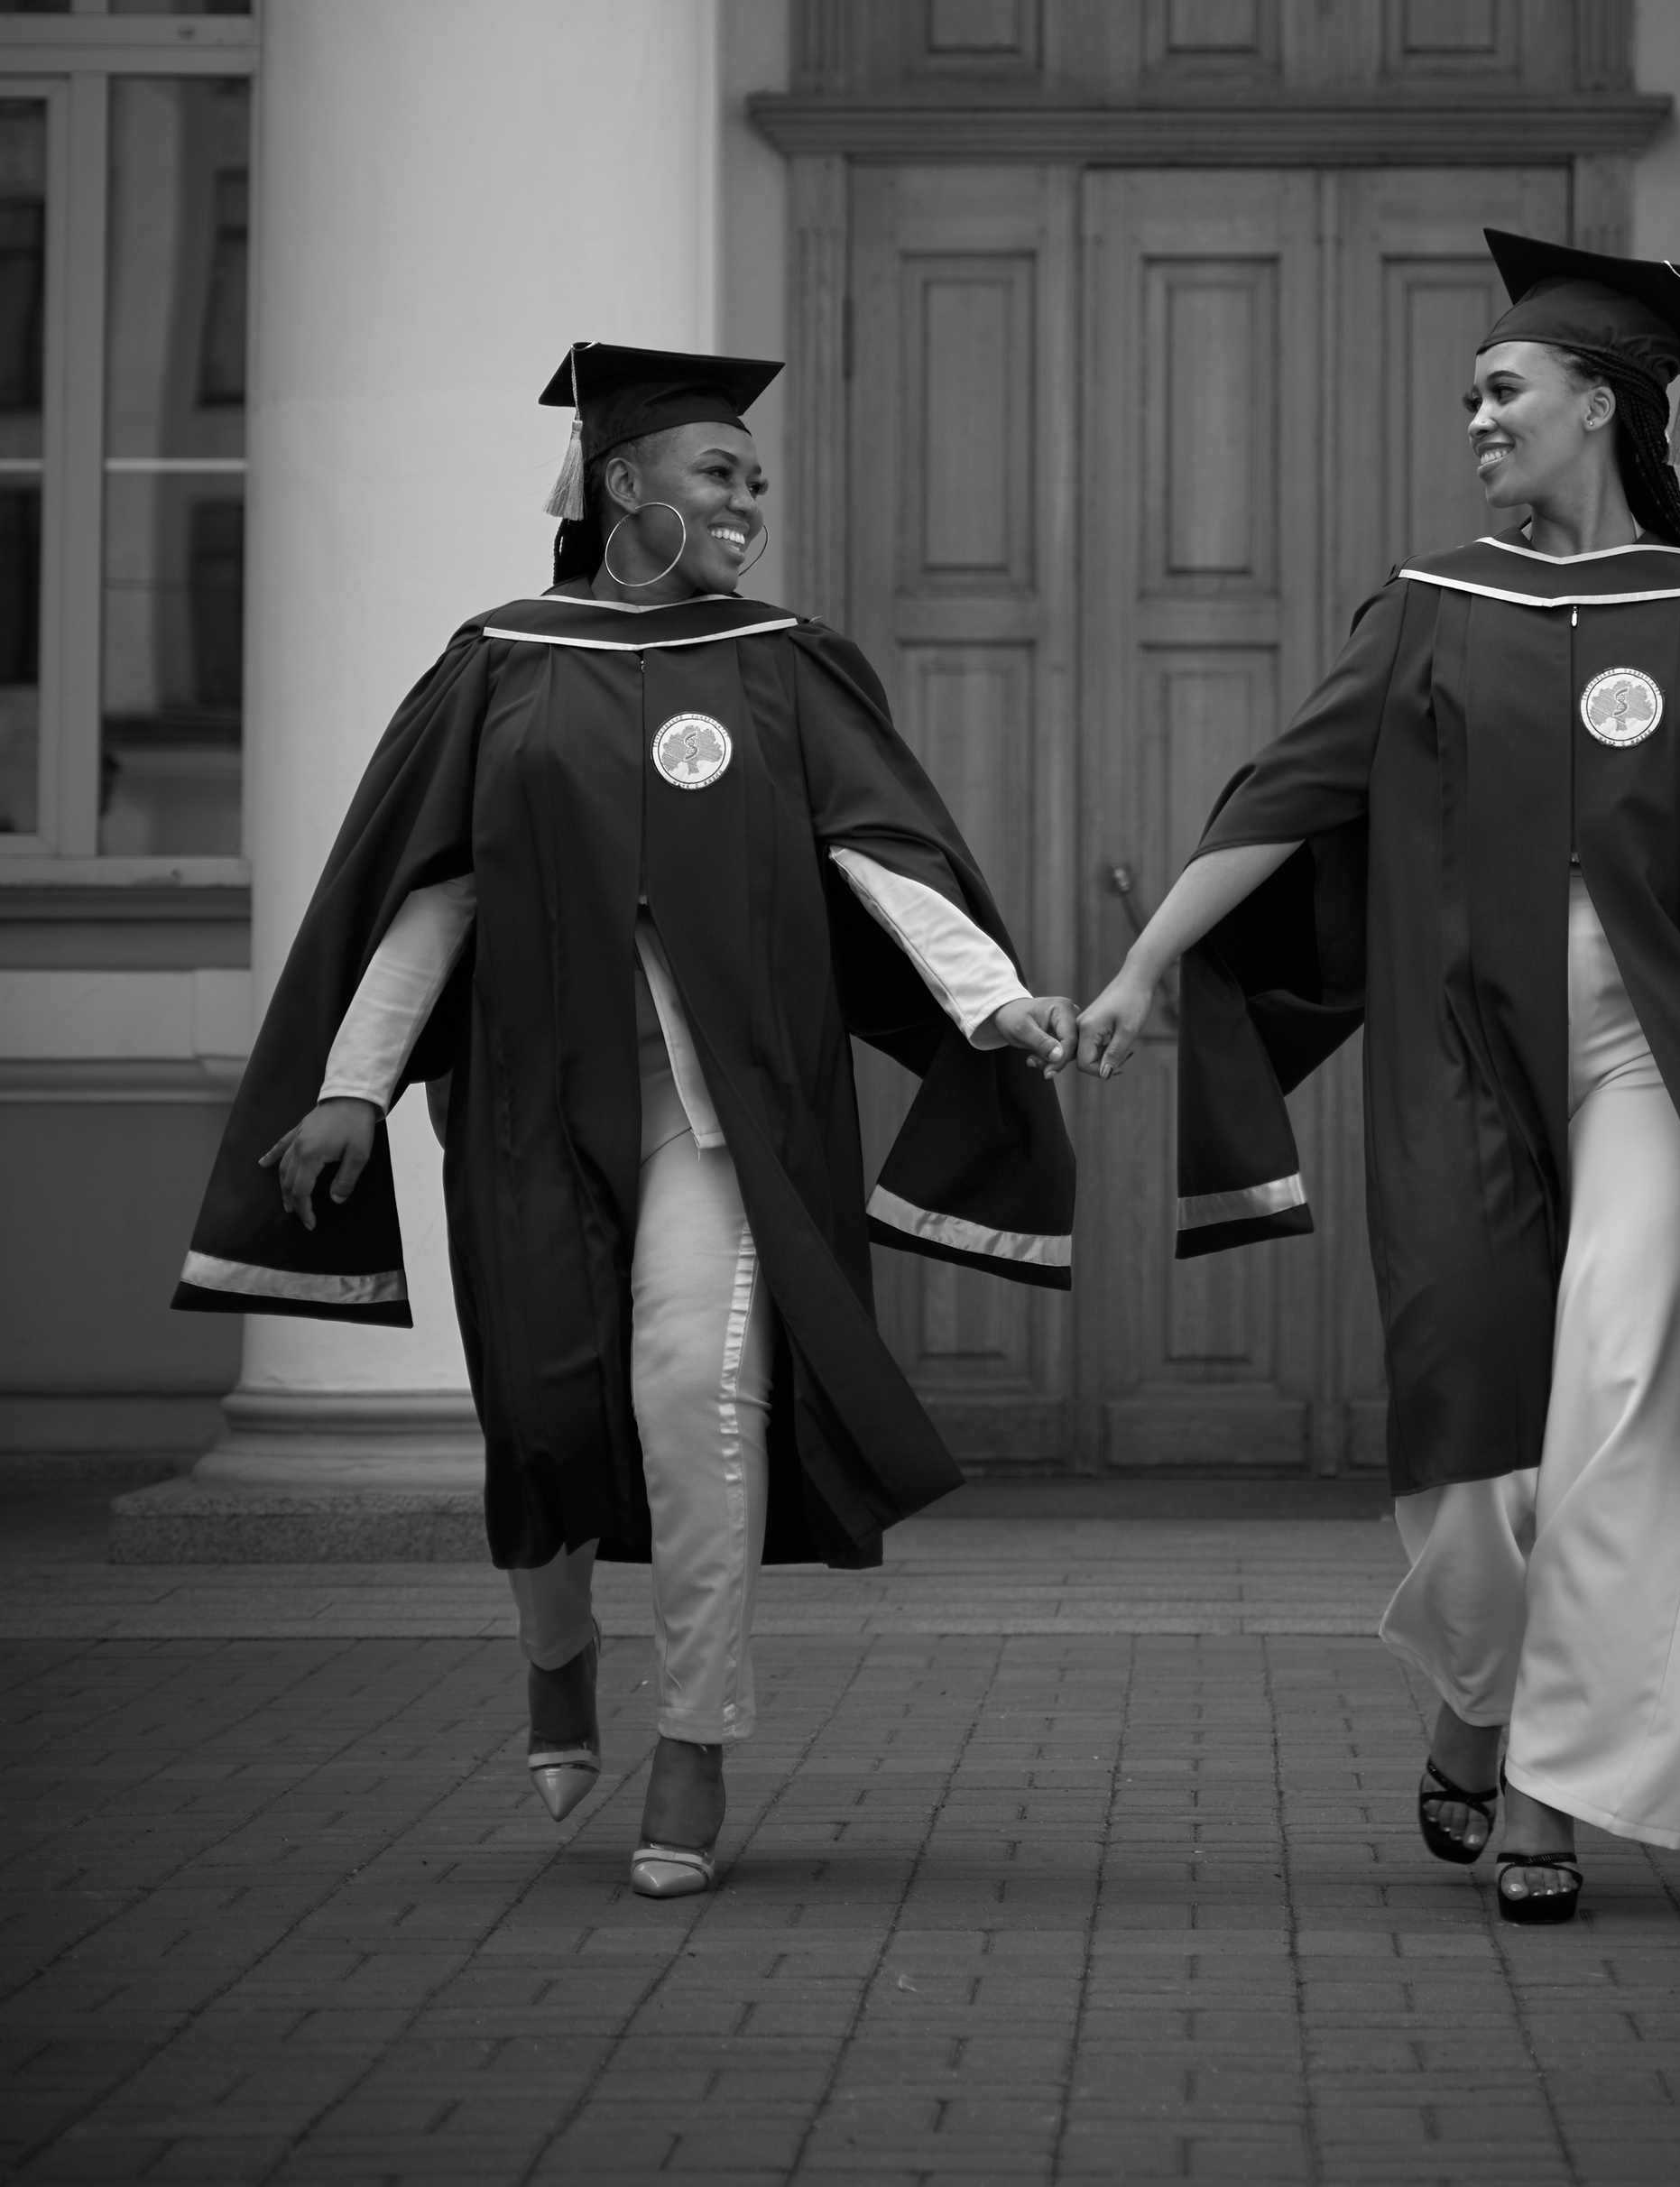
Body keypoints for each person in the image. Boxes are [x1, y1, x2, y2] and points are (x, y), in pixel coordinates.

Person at [1074, 235, 1680, 1925]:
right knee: (1467, 1436)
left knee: (1618, 1404)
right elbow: (1279, 803)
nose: (1475, 416)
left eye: (1504, 390)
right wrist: (1134, 972)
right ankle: (1479, 1696)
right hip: (1466, 1059)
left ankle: (1550, 1796)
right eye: (1473, 394)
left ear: (1603, 407)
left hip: (1665, 1066)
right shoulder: (1432, 610)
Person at [176, 345, 1078, 1898]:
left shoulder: (788, 661)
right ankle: (556, 1645)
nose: (751, 503)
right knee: (539, 1412)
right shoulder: (502, 662)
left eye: (755, 480)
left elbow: (886, 859)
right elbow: (429, 890)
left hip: (724, 1118)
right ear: (625, 489)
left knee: (693, 1389)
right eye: (721, 476)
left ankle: (695, 1741)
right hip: (533, 1109)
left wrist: (995, 1002)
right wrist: (350, 1084)